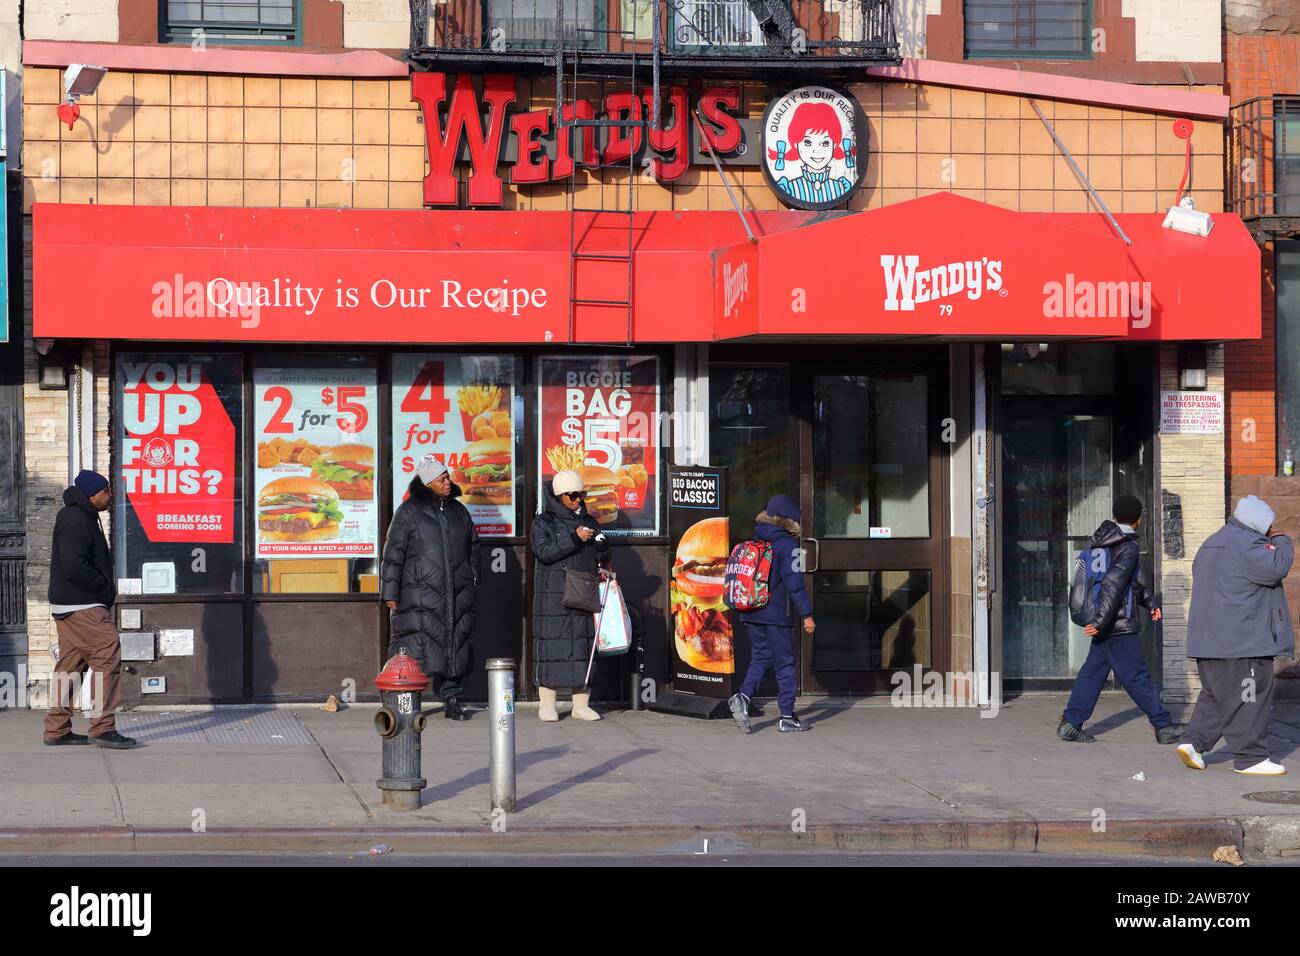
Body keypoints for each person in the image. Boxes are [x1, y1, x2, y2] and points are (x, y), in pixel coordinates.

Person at [1178, 495, 1294, 776]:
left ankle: (1193, 743)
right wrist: (1283, 540)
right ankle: (1251, 757)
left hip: (1210, 642)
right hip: (1242, 643)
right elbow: (1277, 566)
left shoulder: (1212, 543)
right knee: (1250, 697)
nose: (1269, 531)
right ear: (1257, 523)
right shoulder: (1247, 545)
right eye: (1268, 526)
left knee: (1218, 696)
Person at [1058, 495, 1183, 744]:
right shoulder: (1128, 546)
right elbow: (1114, 585)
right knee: (1136, 676)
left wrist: (1148, 601)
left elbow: (1125, 582)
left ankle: (1071, 723)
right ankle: (1163, 725)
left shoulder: (1101, 543)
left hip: (1103, 621)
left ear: (1115, 517)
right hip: (1116, 623)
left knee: (1092, 673)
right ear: (1138, 519)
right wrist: (1102, 622)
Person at [381, 454, 480, 721]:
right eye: (442, 479)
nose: (448, 482)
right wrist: (389, 593)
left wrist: (472, 576)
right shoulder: (408, 512)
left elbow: (474, 545)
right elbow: (393, 554)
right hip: (419, 594)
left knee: (454, 646)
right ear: (427, 483)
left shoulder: (459, 511)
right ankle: (406, 699)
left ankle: (451, 698)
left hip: (456, 594)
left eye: (447, 477)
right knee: (414, 646)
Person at [43, 470, 135, 749]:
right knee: (108, 656)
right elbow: (74, 565)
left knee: (70, 667)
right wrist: (104, 589)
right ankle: (103, 727)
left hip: (71, 605)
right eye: (106, 491)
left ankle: (56, 729)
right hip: (84, 605)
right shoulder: (76, 519)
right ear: (92, 494)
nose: (110, 496)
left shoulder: (78, 516)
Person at [728, 494, 815, 734]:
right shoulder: (787, 546)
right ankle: (787, 716)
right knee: (785, 663)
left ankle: (743, 697)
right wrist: (806, 614)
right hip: (776, 614)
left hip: (751, 610)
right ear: (789, 521)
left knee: (761, 657)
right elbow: (794, 584)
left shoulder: (755, 540)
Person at [530, 469, 610, 722]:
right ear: (559, 496)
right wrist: (574, 539)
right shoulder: (543, 522)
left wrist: (600, 546)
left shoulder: (590, 520)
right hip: (552, 593)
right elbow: (544, 552)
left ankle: (580, 704)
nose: (578, 500)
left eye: (581, 494)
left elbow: (601, 556)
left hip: (584, 590)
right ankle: (547, 704)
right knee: (552, 645)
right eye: (572, 495)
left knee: (582, 646)